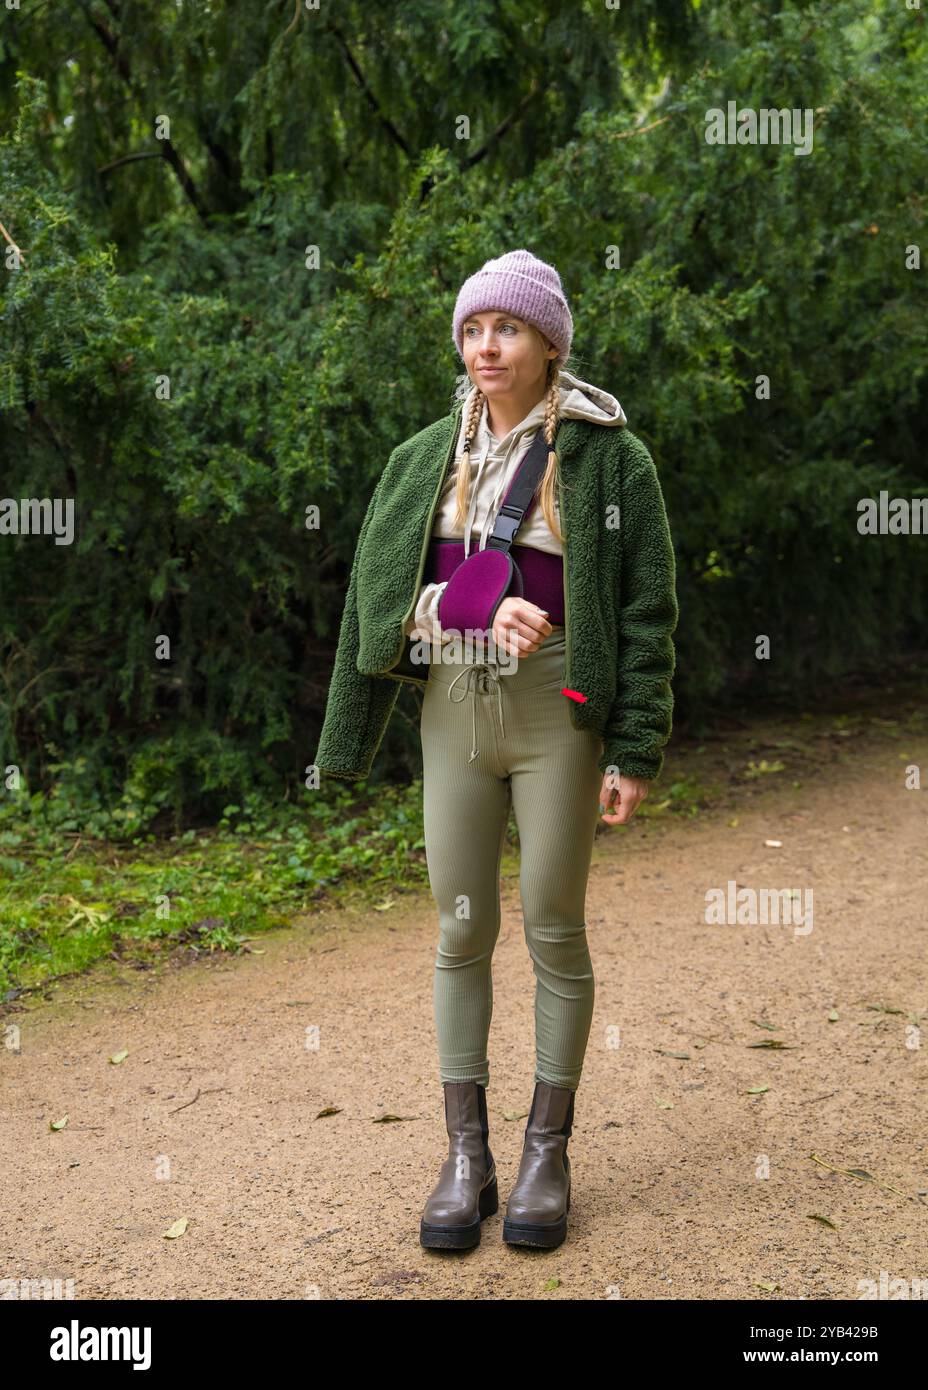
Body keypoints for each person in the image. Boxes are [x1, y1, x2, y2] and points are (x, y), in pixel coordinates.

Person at [314, 248, 678, 1252]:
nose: (486, 346)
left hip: (556, 713)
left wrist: (634, 746)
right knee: (458, 929)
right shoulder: (421, 458)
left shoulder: (611, 459)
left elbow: (646, 612)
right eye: (473, 329)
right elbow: (376, 602)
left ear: (548, 343)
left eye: (507, 328)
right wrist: (465, 607)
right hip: (454, 714)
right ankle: (465, 1157)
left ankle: (545, 1154)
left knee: (554, 926)